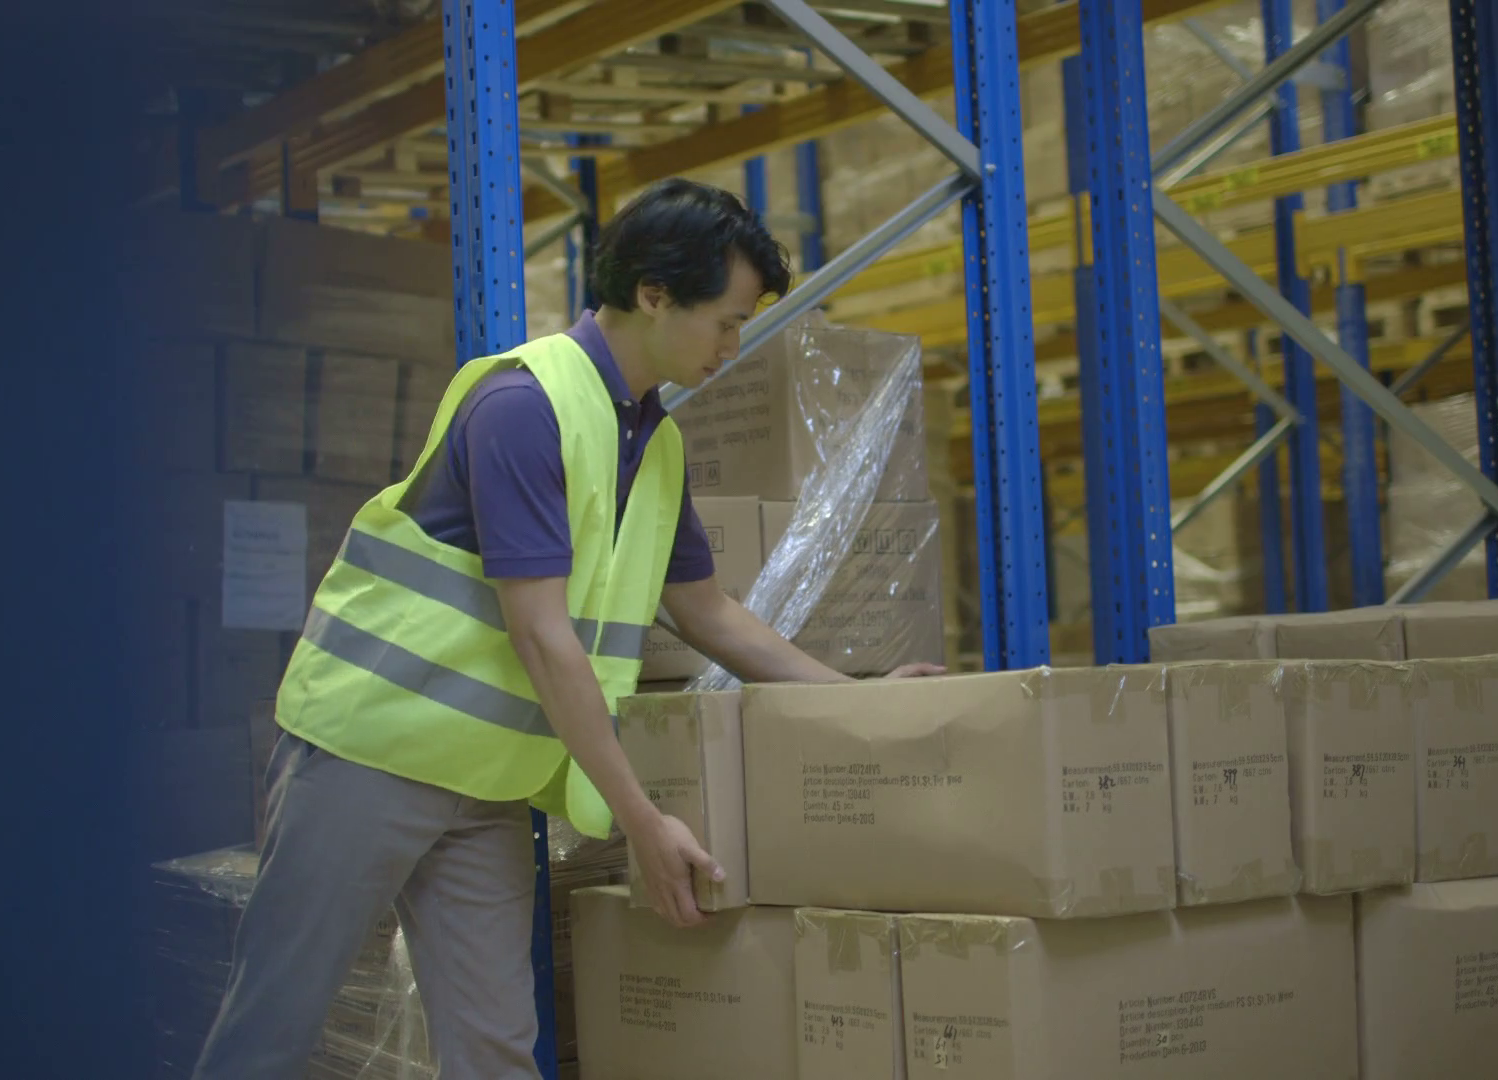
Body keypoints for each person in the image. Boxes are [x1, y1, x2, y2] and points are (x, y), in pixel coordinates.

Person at [190, 177, 946, 1080]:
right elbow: (544, 637)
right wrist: (641, 820)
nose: (734, 346)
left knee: (497, 1051)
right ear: (654, 295)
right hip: (372, 757)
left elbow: (709, 614)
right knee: (275, 1026)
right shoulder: (523, 407)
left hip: (488, 790)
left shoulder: (654, 444)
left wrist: (854, 700)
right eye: (726, 320)